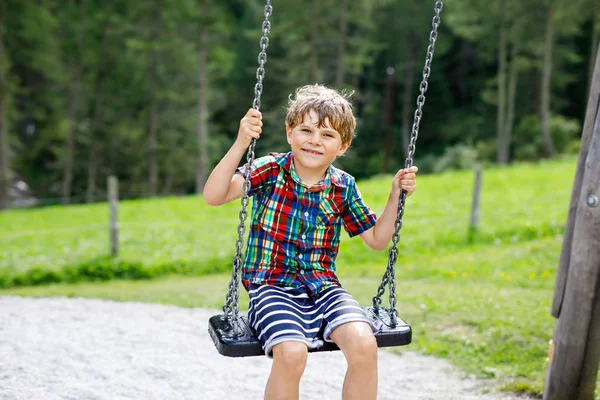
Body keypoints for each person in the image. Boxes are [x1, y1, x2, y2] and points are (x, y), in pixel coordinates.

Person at [203, 84, 418, 400]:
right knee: (291, 354)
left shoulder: (343, 187)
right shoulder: (269, 170)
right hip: (271, 288)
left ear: (342, 146)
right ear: (290, 133)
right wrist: (240, 143)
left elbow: (376, 239)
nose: (315, 140)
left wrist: (395, 195)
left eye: (328, 135)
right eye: (306, 130)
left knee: (364, 344)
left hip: (324, 288)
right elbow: (213, 196)